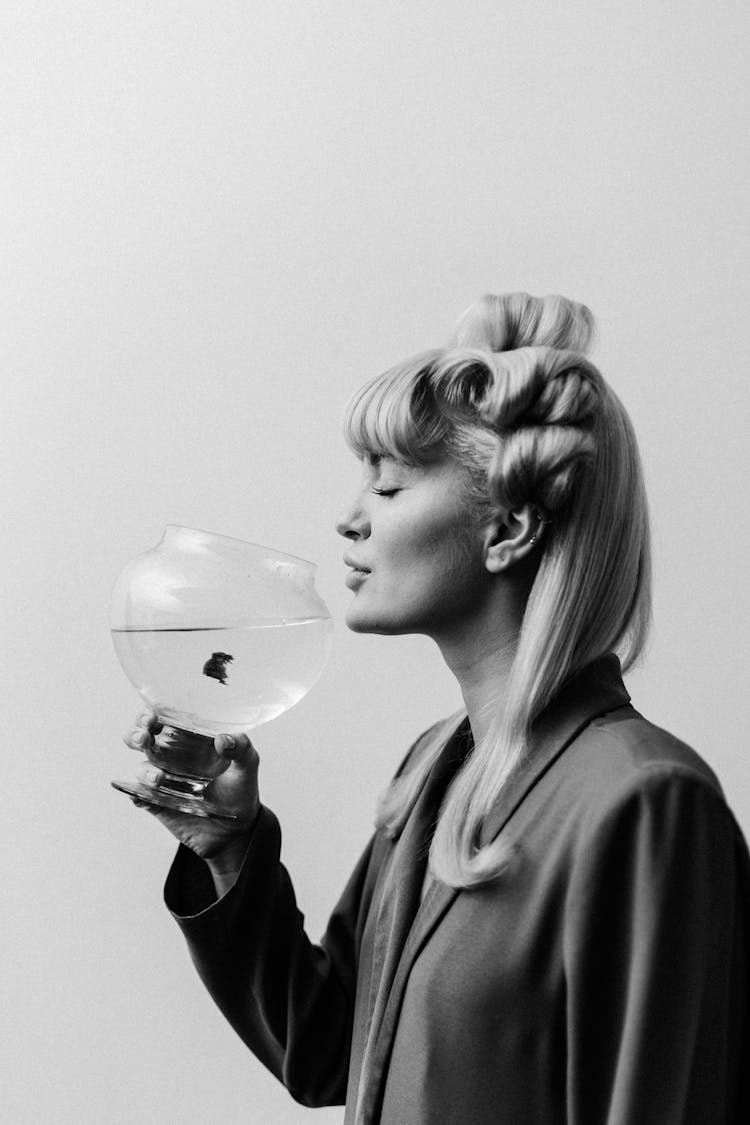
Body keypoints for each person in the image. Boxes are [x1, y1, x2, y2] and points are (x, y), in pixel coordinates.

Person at [125, 292, 750, 1124]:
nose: (349, 519)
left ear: (510, 529)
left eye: (387, 487)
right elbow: (325, 1050)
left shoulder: (646, 804)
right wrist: (229, 849)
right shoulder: (433, 767)